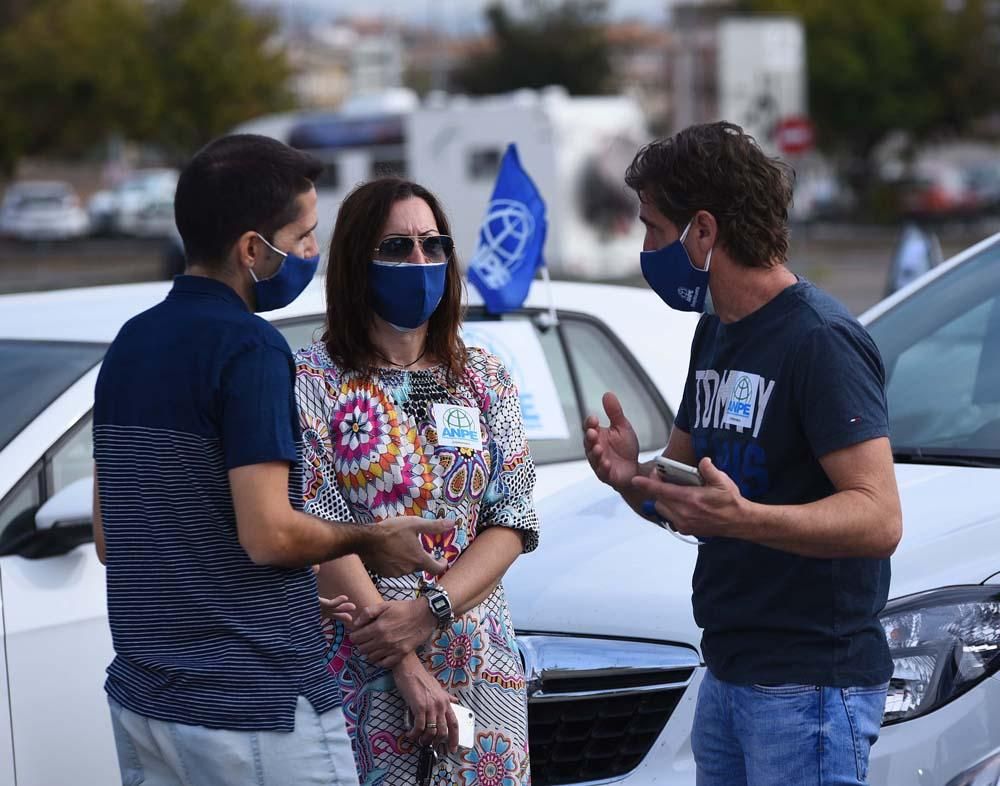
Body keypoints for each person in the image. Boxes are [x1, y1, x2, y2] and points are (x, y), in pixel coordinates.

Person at [92, 134, 452, 786]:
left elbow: (116, 538)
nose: (311, 253)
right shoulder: (250, 348)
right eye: (304, 236)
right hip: (252, 707)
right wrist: (372, 541)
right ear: (253, 250)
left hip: (146, 701)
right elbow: (268, 534)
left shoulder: (129, 344)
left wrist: (279, 599)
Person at [583, 122, 903, 785]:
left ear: (704, 231)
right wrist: (629, 479)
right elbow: (686, 497)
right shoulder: (717, 333)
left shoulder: (819, 340)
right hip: (729, 669)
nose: (645, 248)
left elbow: (879, 521)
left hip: (809, 684)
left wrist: (745, 519)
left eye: (653, 228)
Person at [295, 177, 537, 786]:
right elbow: (317, 527)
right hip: (364, 662)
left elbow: (512, 520)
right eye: (397, 247)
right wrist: (401, 656)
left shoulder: (483, 377)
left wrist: (432, 610)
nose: (420, 261)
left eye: (433, 245)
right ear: (356, 262)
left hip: (480, 660)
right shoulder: (311, 379)